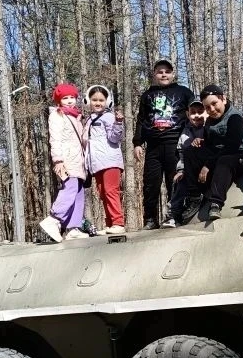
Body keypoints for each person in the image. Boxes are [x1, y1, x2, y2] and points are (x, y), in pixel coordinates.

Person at [132, 60, 195, 229]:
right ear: (154, 74)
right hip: (153, 146)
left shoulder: (184, 92)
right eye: (160, 72)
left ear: (173, 74)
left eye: (167, 71)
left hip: (175, 144)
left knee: (174, 181)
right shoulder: (147, 95)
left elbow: (195, 114)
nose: (164, 75)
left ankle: (174, 216)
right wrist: (137, 143)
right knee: (150, 184)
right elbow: (141, 119)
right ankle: (150, 219)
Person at [40, 83, 88, 242]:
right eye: (65, 98)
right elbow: (55, 139)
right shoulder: (57, 115)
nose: (69, 101)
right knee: (70, 188)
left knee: (79, 192)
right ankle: (54, 219)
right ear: (59, 100)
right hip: (66, 160)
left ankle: (73, 227)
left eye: (72, 97)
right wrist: (58, 160)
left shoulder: (76, 116)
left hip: (79, 161)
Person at [199, 85, 243, 221]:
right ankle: (193, 196)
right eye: (207, 107)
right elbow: (209, 146)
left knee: (225, 161)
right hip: (219, 156)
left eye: (214, 103)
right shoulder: (209, 123)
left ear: (223, 99)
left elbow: (231, 147)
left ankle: (216, 203)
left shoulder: (235, 118)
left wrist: (208, 165)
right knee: (192, 152)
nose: (212, 109)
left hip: (241, 156)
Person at [83, 85, 126, 235]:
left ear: (107, 102)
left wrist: (118, 123)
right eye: (94, 100)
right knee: (103, 194)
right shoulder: (89, 119)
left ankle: (118, 222)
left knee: (110, 191)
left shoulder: (109, 117)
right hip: (97, 163)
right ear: (88, 101)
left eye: (101, 100)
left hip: (110, 161)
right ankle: (110, 224)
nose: (98, 103)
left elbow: (115, 138)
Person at [162, 100, 209, 228]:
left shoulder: (210, 128)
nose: (197, 115)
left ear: (206, 113)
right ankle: (174, 215)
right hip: (189, 170)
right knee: (180, 181)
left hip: (207, 167)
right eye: (193, 112)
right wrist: (181, 170)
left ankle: (197, 200)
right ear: (188, 115)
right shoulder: (184, 133)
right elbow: (182, 155)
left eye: (200, 112)